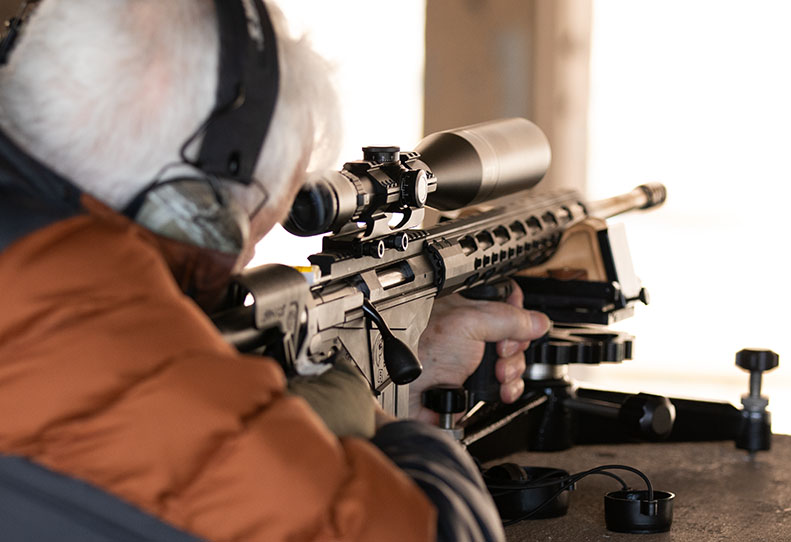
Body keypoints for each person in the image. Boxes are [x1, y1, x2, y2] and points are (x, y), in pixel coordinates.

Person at [0, 1, 550, 541]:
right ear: (189, 211)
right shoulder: (104, 349)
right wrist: (381, 429)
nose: (241, 263)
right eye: (248, 232)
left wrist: (403, 364)